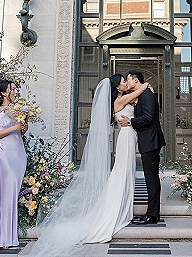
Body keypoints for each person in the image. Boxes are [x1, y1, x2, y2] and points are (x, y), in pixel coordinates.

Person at [27, 76, 150, 256]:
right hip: (125, 138)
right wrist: (145, 85)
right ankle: (115, 211)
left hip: (130, 137)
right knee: (121, 173)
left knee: (126, 173)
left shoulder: (122, 98)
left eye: (126, 80)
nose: (125, 83)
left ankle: (123, 209)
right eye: (123, 81)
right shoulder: (119, 100)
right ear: (116, 87)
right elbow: (139, 91)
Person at [118, 70, 166, 225]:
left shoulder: (146, 95)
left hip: (151, 141)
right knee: (150, 178)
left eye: (128, 79)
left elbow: (148, 117)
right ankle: (153, 213)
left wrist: (131, 122)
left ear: (135, 80)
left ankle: (152, 215)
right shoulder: (143, 94)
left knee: (151, 178)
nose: (126, 81)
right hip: (148, 141)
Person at [0, 80, 28, 249]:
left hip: (18, 153)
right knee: (5, 193)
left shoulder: (17, 110)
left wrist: (23, 128)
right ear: (4, 92)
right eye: (12, 89)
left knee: (13, 194)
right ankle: (2, 238)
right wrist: (14, 128)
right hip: (5, 155)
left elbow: (20, 131)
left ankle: (10, 236)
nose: (15, 91)